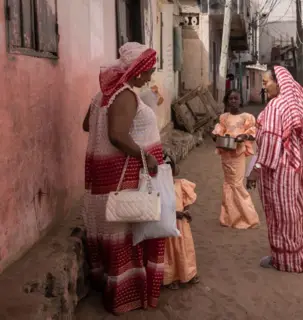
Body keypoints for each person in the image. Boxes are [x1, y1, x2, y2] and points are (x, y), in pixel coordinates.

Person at [82, 42, 165, 314]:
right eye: (149, 70)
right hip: (122, 179)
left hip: (103, 182)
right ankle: (123, 299)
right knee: (124, 239)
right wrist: (146, 156)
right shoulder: (126, 94)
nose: (151, 76)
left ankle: (107, 289)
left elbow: (87, 125)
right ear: (138, 70)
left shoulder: (103, 95)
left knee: (112, 238)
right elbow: (117, 135)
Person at [246, 66, 303, 273]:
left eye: (266, 83)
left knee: (281, 214)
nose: (264, 88)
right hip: (296, 169)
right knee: (297, 212)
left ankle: (285, 260)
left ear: (278, 82)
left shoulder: (275, 107)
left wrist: (255, 171)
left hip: (278, 171)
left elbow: (270, 142)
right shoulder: (295, 105)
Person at [212, 89, 260, 229]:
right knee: (228, 184)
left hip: (238, 155)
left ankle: (249, 217)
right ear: (227, 101)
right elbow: (218, 131)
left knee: (237, 184)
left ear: (240, 100)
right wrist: (215, 135)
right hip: (226, 154)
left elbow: (253, 133)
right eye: (231, 99)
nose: (233, 101)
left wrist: (244, 136)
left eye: (236, 98)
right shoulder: (224, 117)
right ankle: (229, 217)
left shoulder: (247, 117)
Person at [162, 154, 200, 290]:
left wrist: (185, 212)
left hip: (181, 225)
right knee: (170, 252)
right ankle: (172, 277)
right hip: (168, 225)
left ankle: (189, 273)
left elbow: (186, 203)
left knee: (185, 249)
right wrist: (174, 214)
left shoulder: (181, 184)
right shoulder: (159, 189)